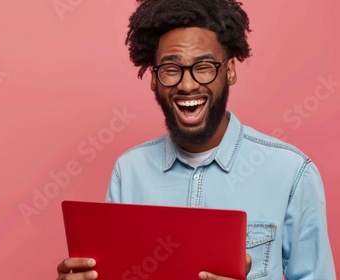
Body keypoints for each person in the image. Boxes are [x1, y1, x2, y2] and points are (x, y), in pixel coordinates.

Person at [56, 0, 336, 279]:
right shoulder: (128, 172)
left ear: (229, 71)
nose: (187, 85)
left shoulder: (291, 172)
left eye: (203, 67)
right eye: (170, 69)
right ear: (153, 78)